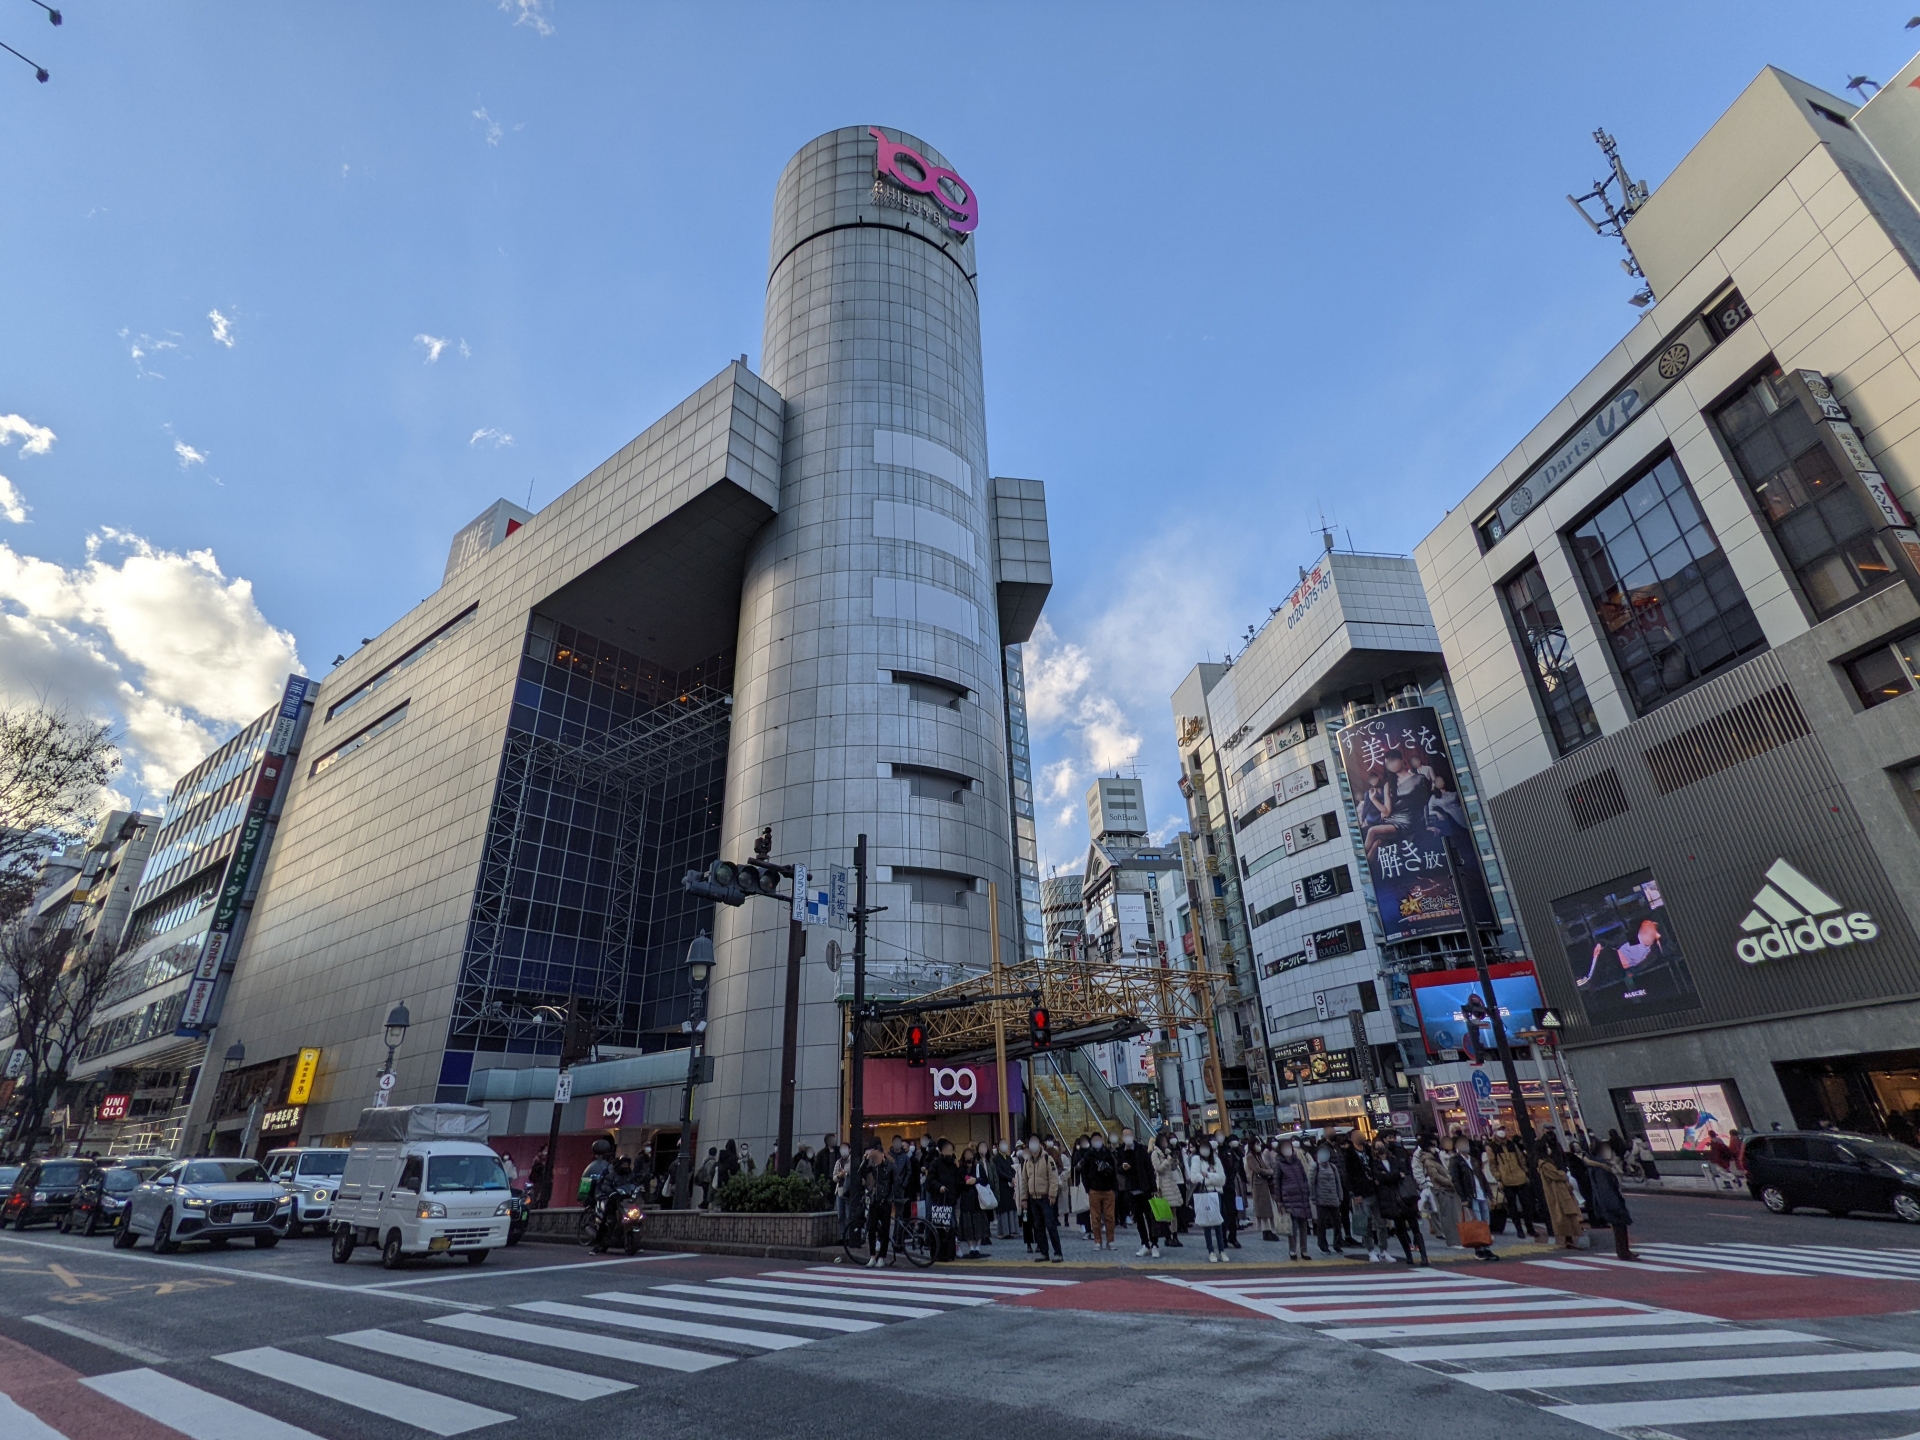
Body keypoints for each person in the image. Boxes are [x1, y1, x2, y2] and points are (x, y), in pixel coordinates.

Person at [1372, 1137, 1429, 1266]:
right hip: (1391, 1199)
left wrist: (1387, 1176)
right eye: (1377, 1146)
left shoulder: (1394, 1159)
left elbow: (1396, 1173)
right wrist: (1392, 1176)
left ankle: (1423, 1256)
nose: (1380, 1149)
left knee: (1414, 1227)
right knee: (1400, 1229)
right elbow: (1381, 1177)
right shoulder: (1375, 1163)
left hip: (1404, 1196)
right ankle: (1409, 1256)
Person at [1585, 1141, 1638, 1260]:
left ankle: (1624, 1251)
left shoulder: (1599, 1166)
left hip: (1610, 1202)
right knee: (1620, 1226)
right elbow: (1605, 1190)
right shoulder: (1601, 1169)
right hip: (1612, 1203)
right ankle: (1624, 1252)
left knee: (1620, 1227)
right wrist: (1614, 1205)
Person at [1015, 1135, 1064, 1262]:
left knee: (1050, 1225)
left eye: (1035, 1142)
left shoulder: (1048, 1159)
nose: (1033, 1144)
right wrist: (1024, 1198)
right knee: (1038, 1226)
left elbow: (1053, 1178)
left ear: (1040, 1144)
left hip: (1046, 1198)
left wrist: (1052, 1194)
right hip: (1033, 1199)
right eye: (1030, 1142)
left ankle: (1058, 1253)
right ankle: (1044, 1252)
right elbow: (1024, 1181)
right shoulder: (1027, 1162)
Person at [1116, 1128, 1158, 1256]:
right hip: (1131, 1189)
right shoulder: (1121, 1151)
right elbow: (1118, 1168)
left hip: (1144, 1187)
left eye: (1129, 1134)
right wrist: (1123, 1168)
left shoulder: (1141, 1149)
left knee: (1150, 1217)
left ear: (1133, 1135)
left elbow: (1149, 1169)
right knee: (1138, 1218)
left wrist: (1153, 1188)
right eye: (1125, 1135)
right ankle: (1144, 1243)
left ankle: (1154, 1243)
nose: (1127, 1137)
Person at [1535, 1138, 1584, 1249]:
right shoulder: (1545, 1164)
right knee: (1564, 1215)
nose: (1549, 1148)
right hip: (1558, 1193)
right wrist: (1562, 1174)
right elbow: (1557, 1175)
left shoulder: (1544, 1163)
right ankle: (1568, 1240)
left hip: (1558, 1192)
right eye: (1546, 1146)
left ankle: (1569, 1239)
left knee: (1565, 1215)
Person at [1187, 1137, 1229, 1261]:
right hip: (1204, 1193)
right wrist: (1209, 1179)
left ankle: (1222, 1250)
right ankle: (1211, 1250)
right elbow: (1194, 1177)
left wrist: (1208, 1175)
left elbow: (1222, 1179)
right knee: (1206, 1223)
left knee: (1218, 1222)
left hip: (1217, 1193)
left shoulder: (1216, 1159)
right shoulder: (1196, 1159)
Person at [1344, 1130, 1384, 1261]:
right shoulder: (1349, 1154)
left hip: (1374, 1190)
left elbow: (1376, 1166)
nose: (1360, 1137)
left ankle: (1384, 1249)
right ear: (1351, 1138)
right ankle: (1371, 1250)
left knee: (1381, 1223)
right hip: (1361, 1193)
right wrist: (1355, 1193)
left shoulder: (1368, 1150)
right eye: (1357, 1135)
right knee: (1366, 1223)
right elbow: (1349, 1176)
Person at [1416, 1134, 1459, 1248]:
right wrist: (1449, 1181)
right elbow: (1435, 1175)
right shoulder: (1429, 1160)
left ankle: (1453, 1238)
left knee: (1446, 1214)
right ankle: (1451, 1240)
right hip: (1439, 1188)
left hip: (1441, 1187)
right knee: (1445, 1214)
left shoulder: (1434, 1157)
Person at [1273, 1138, 1313, 1260]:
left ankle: (1304, 1250)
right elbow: (1276, 1182)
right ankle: (1292, 1250)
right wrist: (1279, 1200)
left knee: (1303, 1225)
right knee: (1293, 1226)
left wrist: (1306, 1190)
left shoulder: (1297, 1162)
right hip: (1288, 1197)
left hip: (1301, 1196)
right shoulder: (1279, 1164)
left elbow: (1304, 1177)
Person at [1080, 1132, 1119, 1250]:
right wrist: (1088, 1188)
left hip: (1108, 1189)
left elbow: (1114, 1172)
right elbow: (1084, 1172)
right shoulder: (1088, 1155)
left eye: (1099, 1139)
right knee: (1095, 1217)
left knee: (1110, 1217)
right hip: (1094, 1190)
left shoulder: (1108, 1154)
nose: (1097, 1141)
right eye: (1095, 1139)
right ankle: (1097, 1241)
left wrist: (1114, 1188)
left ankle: (1110, 1241)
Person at [957, 1144, 992, 1260]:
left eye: (970, 1154)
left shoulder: (978, 1167)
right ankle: (971, 1246)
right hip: (966, 1201)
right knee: (967, 1225)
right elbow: (958, 1184)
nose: (968, 1156)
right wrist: (965, 1183)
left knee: (979, 1225)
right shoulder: (960, 1170)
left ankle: (978, 1246)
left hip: (978, 1201)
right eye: (966, 1155)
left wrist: (976, 1180)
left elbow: (986, 1181)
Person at [1310, 1139, 1346, 1255]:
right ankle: (1323, 1245)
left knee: (1337, 1223)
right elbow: (1311, 1183)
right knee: (1322, 1224)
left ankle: (1337, 1244)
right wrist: (1313, 1197)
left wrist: (1340, 1197)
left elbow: (1338, 1183)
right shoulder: (1315, 1167)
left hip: (1333, 1198)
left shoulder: (1333, 1167)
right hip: (1321, 1199)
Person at [1151, 1134, 1186, 1249]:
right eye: (1164, 1140)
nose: (1166, 1142)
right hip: (1162, 1185)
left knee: (1174, 1211)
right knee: (1166, 1212)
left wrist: (1174, 1161)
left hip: (1171, 1184)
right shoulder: (1155, 1154)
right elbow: (1158, 1169)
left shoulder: (1168, 1152)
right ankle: (1167, 1236)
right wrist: (1167, 1161)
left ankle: (1175, 1235)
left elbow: (1173, 1168)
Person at [1247, 1143, 1278, 1243]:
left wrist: (1269, 1171)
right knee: (1263, 1208)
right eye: (1256, 1143)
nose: (1258, 1145)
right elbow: (1258, 1169)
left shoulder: (1258, 1155)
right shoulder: (1250, 1156)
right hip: (1258, 1184)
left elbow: (1264, 1167)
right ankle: (1266, 1231)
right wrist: (1269, 1172)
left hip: (1264, 1184)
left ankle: (1268, 1230)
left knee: (1267, 1208)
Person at [993, 1140, 1018, 1240]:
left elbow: (1013, 1169)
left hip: (1010, 1186)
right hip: (1002, 1186)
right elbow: (999, 1172)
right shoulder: (996, 1159)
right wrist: (1009, 1178)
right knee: (1003, 1208)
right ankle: (1004, 1231)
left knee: (1011, 1207)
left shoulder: (1009, 1158)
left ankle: (1012, 1230)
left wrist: (1013, 1179)